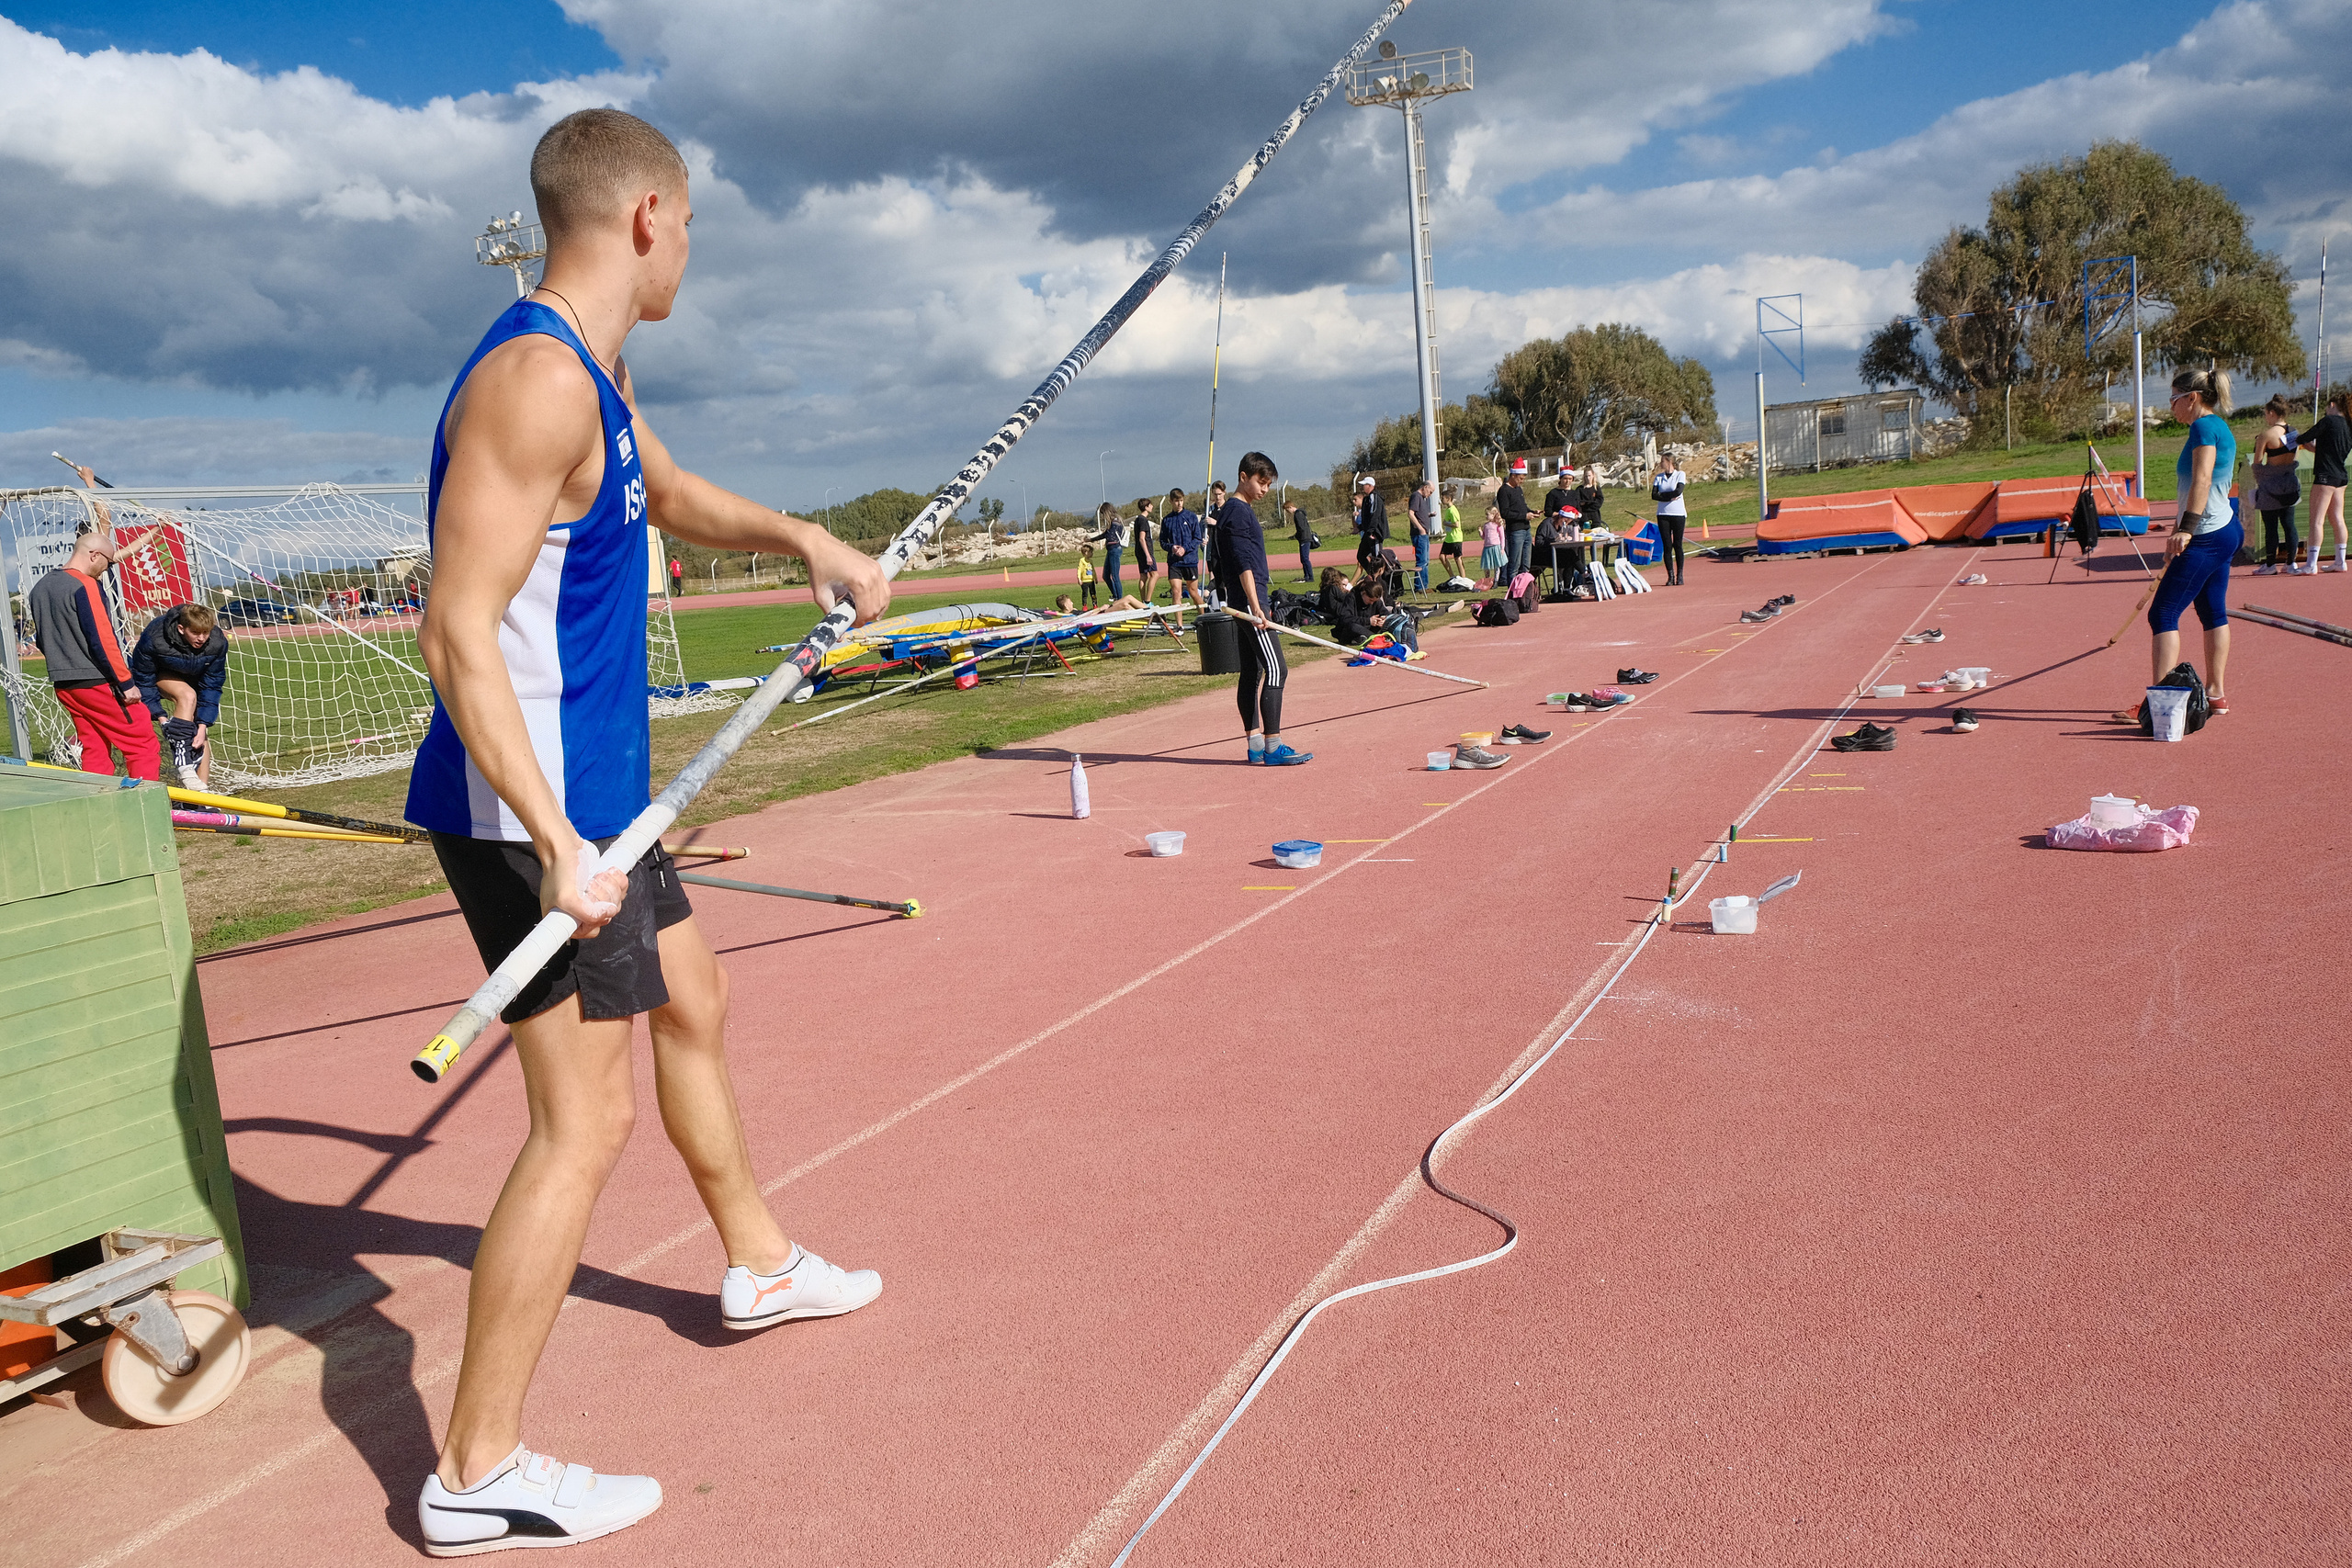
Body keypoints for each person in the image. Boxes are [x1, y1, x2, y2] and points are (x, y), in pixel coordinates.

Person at [401, 108, 890, 1556]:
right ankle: (476, 1464)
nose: (693, 250)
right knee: (584, 1121)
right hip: (530, 810)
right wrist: (555, 836)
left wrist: (810, 540)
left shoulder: (600, 375)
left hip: (605, 795)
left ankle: (755, 1261)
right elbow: (455, 630)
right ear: (647, 217)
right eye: (692, 225)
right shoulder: (535, 381)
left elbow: (668, 496)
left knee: (700, 997)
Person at [2115, 367, 2239, 723]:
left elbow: (2202, 478)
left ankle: (2160, 705)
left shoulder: (2203, 427)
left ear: (2192, 398)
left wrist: (2186, 528)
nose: (2170, 408)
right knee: (2212, 611)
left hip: (2206, 535)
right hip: (2220, 531)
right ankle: (2215, 694)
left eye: (2173, 400)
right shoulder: (2217, 427)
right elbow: (2195, 489)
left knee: (2162, 614)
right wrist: (2176, 528)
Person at [29, 513, 162, 782]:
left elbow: (41, 639)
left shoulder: (40, 587)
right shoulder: (86, 585)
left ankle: (97, 805)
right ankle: (143, 809)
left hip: (64, 683)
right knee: (142, 743)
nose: (107, 569)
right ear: (93, 555)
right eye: (108, 562)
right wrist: (126, 683)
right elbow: (103, 639)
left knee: (95, 747)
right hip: (98, 682)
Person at [1217, 453, 1309, 765]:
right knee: (1276, 669)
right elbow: (1243, 563)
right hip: (1249, 604)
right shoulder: (1238, 513)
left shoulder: (1232, 512)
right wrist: (1257, 609)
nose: (1266, 489)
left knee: (1252, 670)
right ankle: (1272, 745)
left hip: (1242, 601)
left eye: (1269, 484)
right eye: (1261, 482)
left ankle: (1256, 744)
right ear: (1244, 476)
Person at [131, 601, 229, 787]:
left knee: (198, 731)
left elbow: (212, 684)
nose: (201, 638)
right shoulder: (155, 636)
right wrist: (161, 718)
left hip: (194, 678)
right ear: (182, 629)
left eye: (205, 633)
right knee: (187, 695)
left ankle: (201, 795)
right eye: (196, 633)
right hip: (161, 674)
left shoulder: (217, 642)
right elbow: (143, 678)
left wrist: (202, 725)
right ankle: (184, 767)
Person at [2248, 395, 2301, 575]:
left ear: (2271, 413)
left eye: (2265, 414)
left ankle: (2270, 565)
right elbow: (2295, 458)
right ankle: (2291, 563)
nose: (2265, 417)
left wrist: (2261, 480)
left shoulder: (2266, 435)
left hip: (2270, 484)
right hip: (2289, 482)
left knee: (2270, 526)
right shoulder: (2294, 432)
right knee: (2289, 524)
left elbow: (2257, 462)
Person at [2300, 389, 2349, 574]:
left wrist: (2296, 440)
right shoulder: (2349, 426)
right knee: (2337, 518)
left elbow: (2304, 438)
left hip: (2325, 476)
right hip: (2341, 477)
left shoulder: (2328, 421)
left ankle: (2311, 564)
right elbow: (2328, 450)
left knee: (2316, 520)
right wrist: (2314, 449)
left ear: (2332, 405)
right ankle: (2340, 561)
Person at [1160, 487, 1205, 618]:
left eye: (1181, 500)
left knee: (1193, 592)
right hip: (1174, 562)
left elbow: (1197, 538)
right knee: (1176, 592)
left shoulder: (1191, 517)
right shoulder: (1167, 520)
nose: (1179, 503)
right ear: (1171, 501)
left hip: (1190, 561)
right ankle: (1179, 626)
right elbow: (1163, 542)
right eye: (1176, 501)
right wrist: (1171, 547)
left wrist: (1185, 548)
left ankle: (1203, 618)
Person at [1650, 453, 1689, 585]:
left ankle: (1680, 575)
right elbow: (1654, 495)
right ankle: (1670, 576)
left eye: (1663, 461)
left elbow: (1678, 491)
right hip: (1663, 514)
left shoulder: (1680, 475)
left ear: (1669, 462)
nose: (1661, 464)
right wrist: (1667, 497)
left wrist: (1664, 495)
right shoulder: (1659, 477)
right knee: (1667, 545)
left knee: (1677, 545)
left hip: (1678, 514)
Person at [1497, 460, 1532, 582]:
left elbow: (1522, 507)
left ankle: (1523, 591)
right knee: (1514, 566)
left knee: (1526, 565)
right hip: (1516, 531)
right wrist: (1524, 516)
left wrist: (1532, 512)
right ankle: (1512, 593)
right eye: (1520, 478)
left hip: (1526, 529)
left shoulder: (1519, 489)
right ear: (1513, 475)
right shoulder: (1504, 491)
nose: (1522, 481)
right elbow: (1505, 513)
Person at [1089, 502, 1125, 599]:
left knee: (1115, 576)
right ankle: (1115, 595)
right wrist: (1091, 540)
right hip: (1111, 550)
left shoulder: (1115, 522)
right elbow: (1105, 535)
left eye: (1103, 514)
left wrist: (1107, 531)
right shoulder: (1113, 522)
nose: (1103, 517)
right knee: (1106, 575)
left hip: (1114, 549)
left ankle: (1119, 598)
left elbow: (1110, 536)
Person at [1352, 476, 1390, 570]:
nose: (1362, 487)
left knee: (1377, 558)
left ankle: (1380, 579)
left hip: (1374, 534)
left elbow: (1375, 515)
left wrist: (1372, 532)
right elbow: (1367, 518)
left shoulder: (1375, 497)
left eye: (1364, 485)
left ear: (1369, 486)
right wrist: (1360, 528)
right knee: (1361, 555)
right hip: (1367, 533)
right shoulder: (1366, 499)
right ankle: (1372, 574)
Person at [1407, 479, 1436, 592]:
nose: (1430, 495)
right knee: (1422, 560)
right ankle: (1420, 587)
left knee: (1425, 560)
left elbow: (1418, 514)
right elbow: (1410, 513)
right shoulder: (1416, 496)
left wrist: (1428, 515)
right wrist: (1420, 528)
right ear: (1425, 487)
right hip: (1419, 535)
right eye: (1430, 492)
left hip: (1424, 535)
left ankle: (1424, 585)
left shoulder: (1422, 499)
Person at [1129, 497, 1159, 604]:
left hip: (1139, 551)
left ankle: (1143, 601)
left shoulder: (1137, 519)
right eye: (1150, 505)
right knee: (1155, 575)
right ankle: (1147, 600)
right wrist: (1148, 555)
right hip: (1145, 552)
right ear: (1146, 507)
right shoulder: (1143, 520)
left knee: (1143, 576)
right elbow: (1142, 538)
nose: (1152, 506)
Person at [1571, 466, 1605, 533]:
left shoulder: (1596, 488)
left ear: (1593, 476)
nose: (1588, 478)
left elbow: (1599, 501)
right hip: (1584, 517)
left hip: (1595, 517)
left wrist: (1587, 504)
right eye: (1586, 476)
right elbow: (1578, 503)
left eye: (1589, 476)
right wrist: (1587, 504)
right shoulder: (1579, 489)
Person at [1478, 503, 1506, 587]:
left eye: (1488, 514)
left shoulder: (1498, 525)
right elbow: (1484, 537)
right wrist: (1480, 532)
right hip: (1487, 547)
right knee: (1487, 566)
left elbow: (1502, 537)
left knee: (1496, 566)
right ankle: (1487, 580)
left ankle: (1496, 581)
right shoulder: (1486, 525)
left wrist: (1502, 548)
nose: (1486, 516)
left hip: (1496, 547)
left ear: (1493, 515)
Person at [1440, 488, 1464, 579]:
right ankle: (1452, 576)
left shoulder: (1452, 510)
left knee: (1458, 558)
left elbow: (1456, 524)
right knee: (1442, 556)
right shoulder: (1448, 510)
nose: (1441, 500)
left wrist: (1446, 523)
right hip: (1449, 538)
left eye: (1442, 498)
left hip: (1456, 538)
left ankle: (1463, 578)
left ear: (1448, 498)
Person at [1292, 503, 1317, 583]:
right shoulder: (1301, 513)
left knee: (1305, 558)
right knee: (1303, 559)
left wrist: (1296, 535)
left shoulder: (1297, 514)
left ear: (1290, 507)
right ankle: (1306, 576)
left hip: (1304, 538)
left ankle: (1310, 577)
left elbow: (1301, 527)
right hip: (1306, 537)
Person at [1076, 542, 1099, 607]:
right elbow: (1079, 570)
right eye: (1091, 552)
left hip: (1091, 580)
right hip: (1084, 581)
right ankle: (1084, 605)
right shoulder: (1082, 560)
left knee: (1093, 593)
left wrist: (1096, 578)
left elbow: (1093, 570)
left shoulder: (1091, 561)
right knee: (1085, 594)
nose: (1092, 554)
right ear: (1086, 553)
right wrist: (1079, 579)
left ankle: (1095, 604)